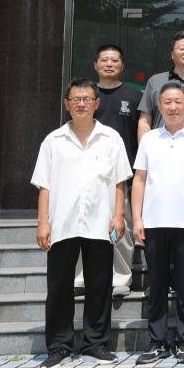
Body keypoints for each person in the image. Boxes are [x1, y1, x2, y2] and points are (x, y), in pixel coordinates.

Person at [32, 79, 131, 368]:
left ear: (96, 103)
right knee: (59, 286)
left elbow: (120, 182)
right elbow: (44, 186)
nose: (82, 104)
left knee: (99, 285)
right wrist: (42, 222)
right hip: (62, 223)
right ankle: (58, 346)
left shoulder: (111, 138)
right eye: (76, 99)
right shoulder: (54, 140)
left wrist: (119, 215)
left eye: (87, 98)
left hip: (101, 222)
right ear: (67, 104)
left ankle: (95, 343)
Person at [132, 81, 184, 365]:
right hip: (154, 223)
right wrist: (137, 219)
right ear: (159, 106)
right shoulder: (149, 139)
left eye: (177, 102)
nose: (172, 107)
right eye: (167, 102)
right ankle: (157, 342)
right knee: (156, 286)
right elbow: (139, 179)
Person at [72, 45, 139, 299]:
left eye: (114, 60)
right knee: (82, 223)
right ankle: (81, 277)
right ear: (96, 65)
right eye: (104, 60)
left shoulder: (133, 95)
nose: (109, 64)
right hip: (86, 172)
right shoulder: (85, 95)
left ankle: (121, 277)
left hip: (121, 172)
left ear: (122, 65)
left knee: (121, 226)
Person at [138, 30, 184, 138]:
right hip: (160, 144)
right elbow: (145, 120)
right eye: (182, 49)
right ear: (172, 54)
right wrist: (145, 146)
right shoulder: (155, 81)